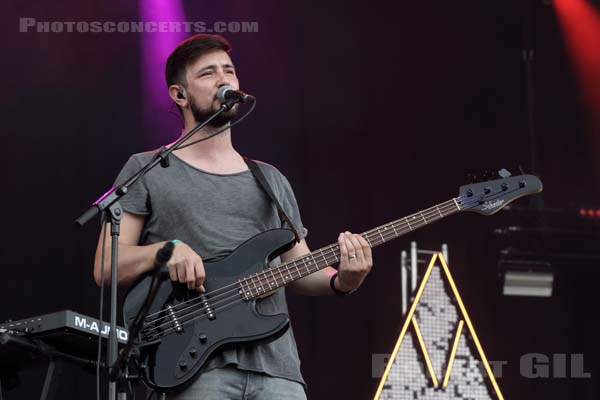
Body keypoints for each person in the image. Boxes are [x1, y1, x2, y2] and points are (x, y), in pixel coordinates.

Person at [93, 34, 373, 400]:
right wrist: (166, 251)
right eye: (209, 73)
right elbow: (105, 266)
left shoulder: (269, 179)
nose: (224, 80)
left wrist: (344, 280)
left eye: (230, 70)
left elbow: (300, 269)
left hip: (278, 371)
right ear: (179, 95)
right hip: (194, 368)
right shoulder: (146, 169)